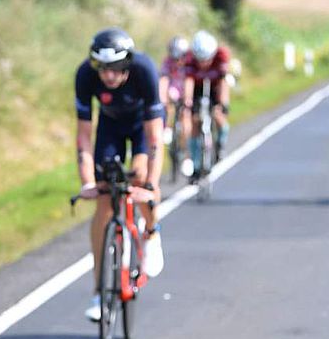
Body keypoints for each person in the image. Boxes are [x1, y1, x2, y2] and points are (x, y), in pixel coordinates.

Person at [75, 27, 165, 322]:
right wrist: (88, 181)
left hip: (142, 126)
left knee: (139, 177)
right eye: (103, 69)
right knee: (103, 199)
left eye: (115, 69)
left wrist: (150, 186)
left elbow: (155, 138)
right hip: (110, 128)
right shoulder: (85, 76)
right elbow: (84, 137)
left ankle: (151, 234)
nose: (109, 76)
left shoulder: (144, 70)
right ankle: (100, 291)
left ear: (127, 65)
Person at [180, 30, 232, 178]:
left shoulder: (221, 56)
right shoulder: (189, 59)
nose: (203, 64)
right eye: (200, 60)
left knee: (218, 115)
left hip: (215, 88)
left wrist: (223, 103)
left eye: (207, 60)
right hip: (197, 89)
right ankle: (196, 163)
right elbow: (188, 83)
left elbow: (223, 82)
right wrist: (187, 102)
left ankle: (220, 143)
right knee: (195, 121)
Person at [159, 35, 190, 163]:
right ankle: (168, 128)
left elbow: (190, 81)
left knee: (185, 115)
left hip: (186, 91)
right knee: (169, 106)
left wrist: (188, 98)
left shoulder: (189, 64)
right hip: (173, 89)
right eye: (175, 58)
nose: (178, 61)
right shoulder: (167, 63)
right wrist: (163, 99)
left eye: (180, 57)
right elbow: (164, 80)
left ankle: (184, 146)